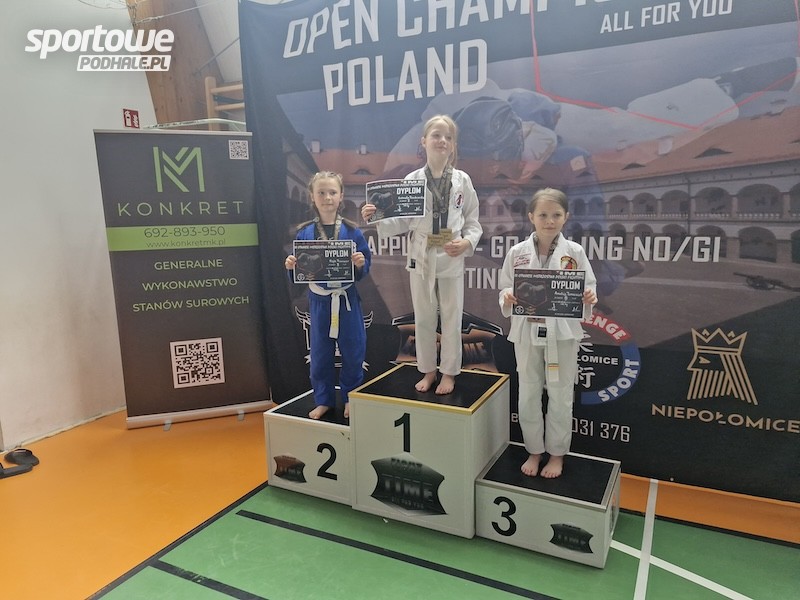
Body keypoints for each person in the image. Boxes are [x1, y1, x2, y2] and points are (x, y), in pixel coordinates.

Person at [362, 115, 482, 395]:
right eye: (436, 135)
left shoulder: (462, 180)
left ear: (453, 145)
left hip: (451, 255)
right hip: (422, 255)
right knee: (424, 318)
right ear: (424, 141)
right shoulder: (413, 180)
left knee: (452, 317)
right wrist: (377, 217)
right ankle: (428, 370)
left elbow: (473, 222)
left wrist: (466, 242)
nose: (442, 141)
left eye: (448, 137)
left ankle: (449, 373)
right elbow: (402, 221)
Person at [498, 188, 597, 478]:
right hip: (527, 331)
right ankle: (533, 450)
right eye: (543, 215)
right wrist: (507, 297)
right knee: (528, 392)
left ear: (566, 217)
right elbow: (505, 285)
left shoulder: (574, 252)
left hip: (562, 333)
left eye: (556, 215)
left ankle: (556, 454)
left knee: (561, 394)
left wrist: (589, 296)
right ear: (531, 217)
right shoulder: (517, 252)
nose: (549, 221)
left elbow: (588, 286)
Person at [285, 172, 371, 420]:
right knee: (320, 354)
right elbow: (300, 272)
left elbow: (365, 267)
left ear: (341, 196)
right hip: (319, 301)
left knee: (353, 351)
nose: (327, 197)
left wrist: (360, 263)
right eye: (321, 192)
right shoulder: (304, 233)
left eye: (332, 192)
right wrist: (292, 267)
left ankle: (350, 397)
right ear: (312, 196)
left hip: (346, 299)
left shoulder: (353, 232)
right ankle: (323, 399)